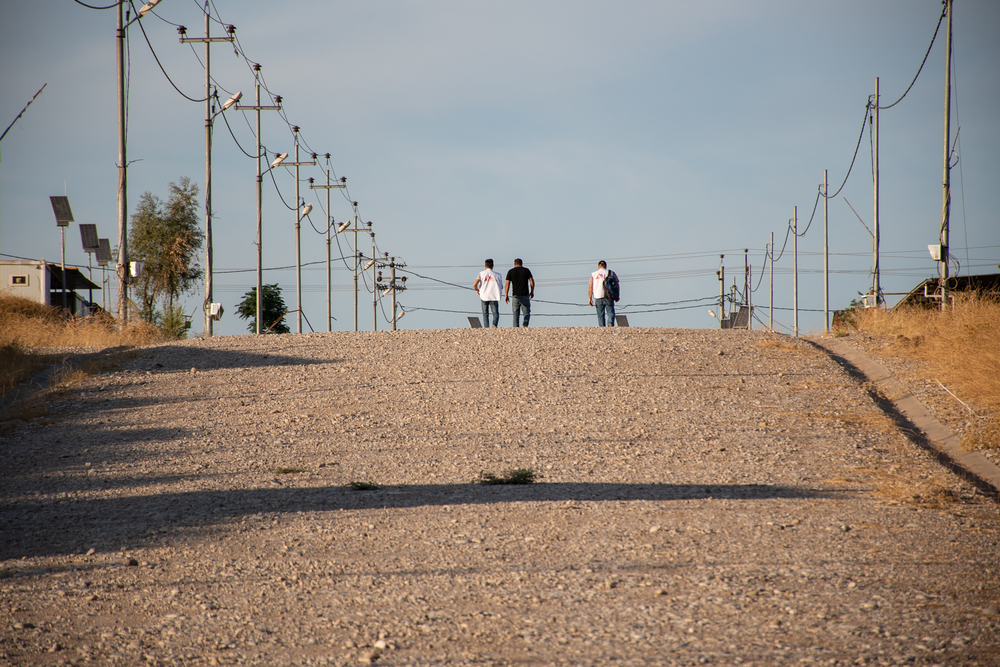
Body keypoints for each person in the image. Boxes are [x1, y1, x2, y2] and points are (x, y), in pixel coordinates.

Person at [504, 258, 534, 327]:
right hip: (525, 295)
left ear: (514, 264)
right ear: (522, 264)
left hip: (515, 296)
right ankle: (525, 322)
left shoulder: (511, 271)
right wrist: (532, 291)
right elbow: (532, 282)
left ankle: (515, 328)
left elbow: (507, 284)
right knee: (526, 312)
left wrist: (506, 295)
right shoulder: (526, 270)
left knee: (515, 313)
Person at [473, 258, 503, 328]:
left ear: (485, 265)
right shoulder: (498, 275)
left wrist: (477, 290)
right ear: (493, 265)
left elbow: (475, 284)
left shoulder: (481, 274)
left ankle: (486, 327)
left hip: (484, 296)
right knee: (495, 313)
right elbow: (501, 286)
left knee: (485, 313)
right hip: (494, 296)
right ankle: (494, 324)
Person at [588, 260, 618, 327]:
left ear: (598, 266)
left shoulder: (593, 274)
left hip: (598, 296)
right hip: (609, 296)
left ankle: (602, 328)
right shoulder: (611, 273)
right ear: (605, 266)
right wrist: (617, 295)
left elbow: (590, 287)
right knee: (610, 312)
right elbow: (617, 284)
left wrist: (590, 298)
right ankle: (610, 323)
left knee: (600, 315)